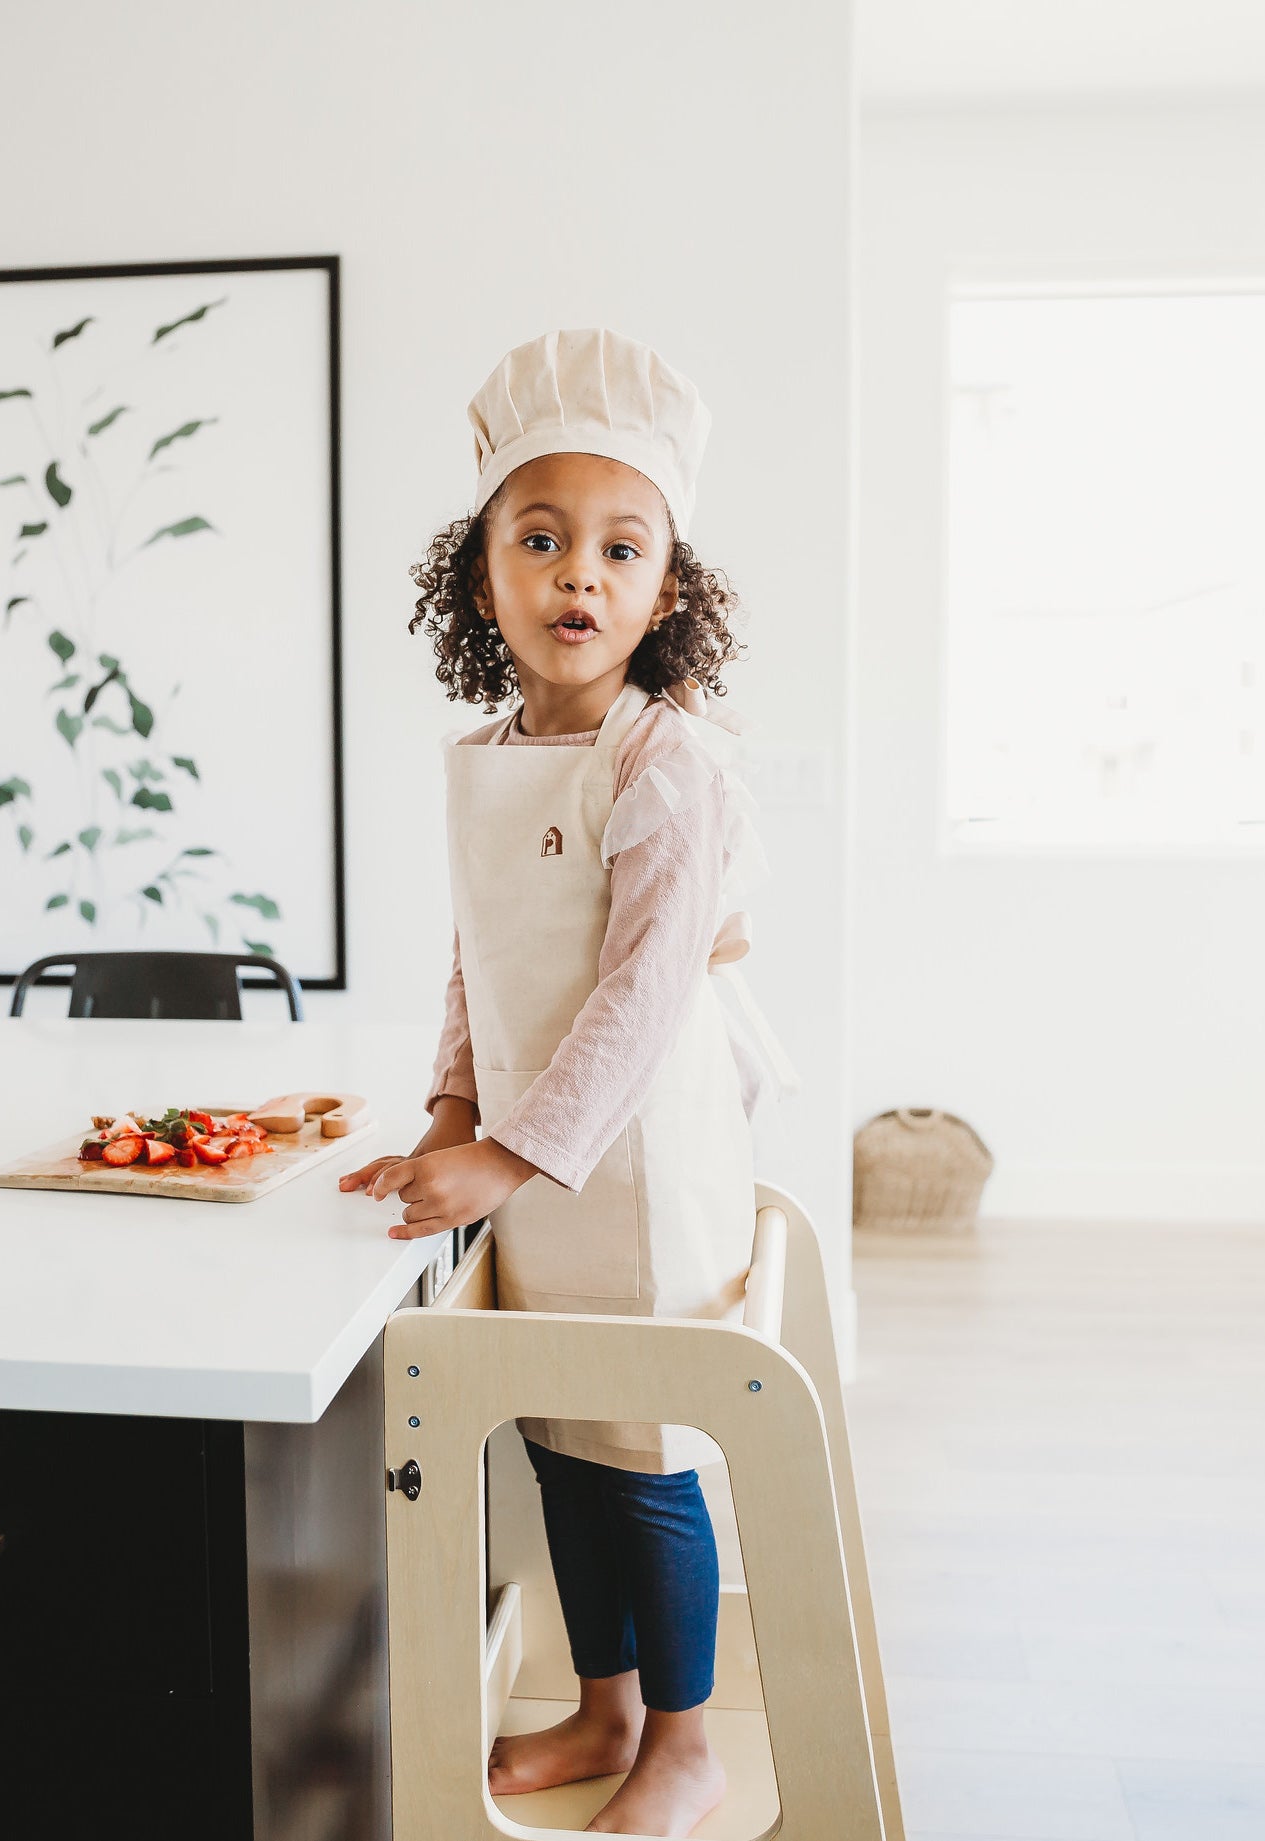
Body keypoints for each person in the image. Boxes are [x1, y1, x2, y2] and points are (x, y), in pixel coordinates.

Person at [338, 327, 797, 1838]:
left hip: (640, 1161)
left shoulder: (667, 765)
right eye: (538, 540)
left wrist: (509, 1151)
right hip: (535, 1158)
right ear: (482, 579)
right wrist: (451, 1111)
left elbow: (645, 996)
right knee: (559, 1441)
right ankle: (601, 1708)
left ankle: (684, 1739)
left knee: (641, 1451)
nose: (576, 575)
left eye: (618, 547)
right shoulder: (487, 754)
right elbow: (477, 958)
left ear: (665, 589)